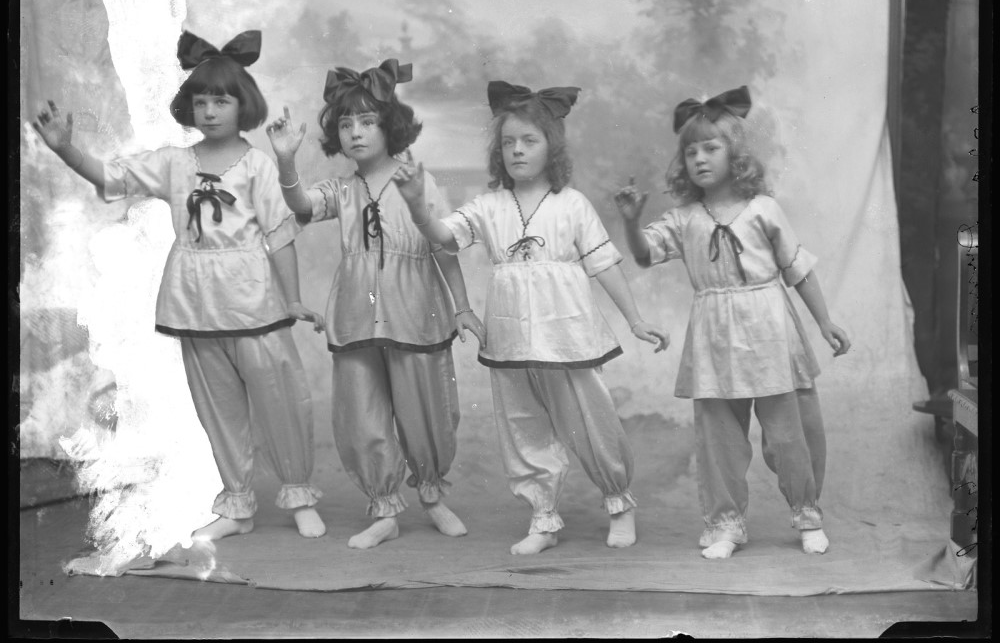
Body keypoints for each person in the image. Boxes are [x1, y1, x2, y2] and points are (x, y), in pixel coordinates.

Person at [32, 30, 328, 541]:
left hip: (254, 300)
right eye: (201, 99)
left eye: (222, 99)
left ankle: (299, 491)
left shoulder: (257, 164)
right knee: (217, 406)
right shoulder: (172, 161)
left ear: (244, 105)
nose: (210, 110)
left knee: (279, 396)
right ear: (188, 106)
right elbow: (112, 177)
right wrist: (66, 150)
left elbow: (280, 237)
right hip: (194, 301)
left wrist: (295, 297)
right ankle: (237, 505)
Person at [392, 81, 668, 555]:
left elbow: (604, 265)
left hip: (568, 334)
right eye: (508, 142)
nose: (517, 150)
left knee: (591, 418)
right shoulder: (488, 205)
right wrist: (418, 205)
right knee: (524, 427)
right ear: (498, 151)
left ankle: (619, 501)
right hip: (512, 335)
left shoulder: (572, 204)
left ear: (551, 147)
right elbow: (444, 237)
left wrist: (636, 321)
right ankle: (543, 516)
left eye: (529, 141)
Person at [614, 86, 851, 559]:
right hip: (714, 334)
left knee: (790, 432)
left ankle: (806, 513)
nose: (700, 158)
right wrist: (631, 221)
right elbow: (643, 256)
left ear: (735, 154)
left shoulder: (763, 209)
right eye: (691, 150)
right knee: (718, 435)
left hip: (769, 328)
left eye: (711, 147)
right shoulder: (683, 218)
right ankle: (725, 523)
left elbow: (797, 268)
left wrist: (824, 322)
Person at [266, 60, 484, 549]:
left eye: (367, 122)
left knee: (427, 407)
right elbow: (301, 207)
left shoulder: (420, 182)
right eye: (345, 124)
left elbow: (442, 246)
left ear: (390, 125)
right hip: (356, 309)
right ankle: (384, 508)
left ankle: (431, 495)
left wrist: (463, 307)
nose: (355, 133)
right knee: (361, 411)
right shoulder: (342, 189)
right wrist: (285, 161)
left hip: (416, 306)